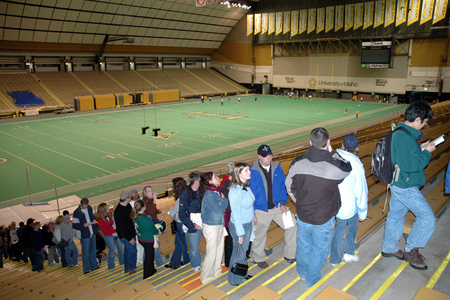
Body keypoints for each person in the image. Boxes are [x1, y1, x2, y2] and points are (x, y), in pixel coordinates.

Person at [286, 127, 352, 288]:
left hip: (303, 215)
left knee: (303, 246)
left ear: (310, 142)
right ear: (328, 142)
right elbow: (347, 168)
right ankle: (312, 279)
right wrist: (333, 153)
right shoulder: (335, 166)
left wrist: (300, 201)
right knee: (319, 249)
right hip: (324, 218)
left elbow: (289, 186)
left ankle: (302, 272)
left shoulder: (298, 162)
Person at [381, 101, 436, 270]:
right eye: (425, 122)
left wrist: (420, 148)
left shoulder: (401, 132)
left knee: (396, 216)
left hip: (398, 183)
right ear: (418, 119)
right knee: (427, 218)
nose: (425, 125)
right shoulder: (404, 137)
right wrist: (427, 152)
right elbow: (411, 166)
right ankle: (412, 250)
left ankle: (389, 248)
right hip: (405, 186)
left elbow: (405, 156)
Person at [249, 145, 297, 268]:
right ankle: (258, 258)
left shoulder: (277, 168)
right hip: (261, 210)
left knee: (292, 224)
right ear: (259, 157)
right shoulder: (252, 172)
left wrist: (282, 203)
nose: (269, 158)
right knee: (259, 235)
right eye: (265, 156)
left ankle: (290, 254)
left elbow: (282, 187)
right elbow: (249, 195)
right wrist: (252, 213)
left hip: (277, 207)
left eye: (270, 155)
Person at [330, 134, 368, 266]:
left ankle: (337, 258)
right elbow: (361, 190)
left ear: (343, 145)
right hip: (349, 204)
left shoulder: (333, 157)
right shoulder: (356, 164)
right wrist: (363, 212)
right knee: (348, 227)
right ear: (356, 148)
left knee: (341, 228)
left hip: (334, 201)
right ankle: (345, 254)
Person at [228, 162, 256, 286]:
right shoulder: (235, 191)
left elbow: (249, 203)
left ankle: (242, 273)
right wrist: (240, 233)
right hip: (240, 226)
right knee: (238, 253)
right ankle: (234, 279)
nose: (249, 172)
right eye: (246, 170)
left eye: (248, 169)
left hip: (247, 223)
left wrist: (253, 215)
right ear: (238, 174)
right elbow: (236, 215)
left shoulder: (245, 186)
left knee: (243, 252)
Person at [200, 172, 228, 284]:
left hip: (218, 224)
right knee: (211, 252)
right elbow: (219, 210)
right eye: (215, 177)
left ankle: (216, 271)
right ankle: (205, 277)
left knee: (219, 249)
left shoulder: (215, 191)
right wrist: (224, 199)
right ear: (210, 181)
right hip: (211, 226)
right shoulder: (210, 195)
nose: (218, 178)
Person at [179, 171, 203, 272]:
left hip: (205, 222)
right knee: (193, 248)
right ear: (197, 181)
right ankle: (196, 265)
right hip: (194, 225)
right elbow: (181, 214)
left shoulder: (203, 191)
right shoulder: (185, 195)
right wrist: (192, 225)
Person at [166, 177, 190, 269]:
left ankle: (186, 261)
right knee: (179, 243)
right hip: (183, 223)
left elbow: (178, 216)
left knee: (183, 244)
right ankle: (174, 263)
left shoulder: (181, 198)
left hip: (180, 224)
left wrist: (171, 211)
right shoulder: (186, 194)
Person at [134, 200, 160, 279]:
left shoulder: (136, 216)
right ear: (143, 208)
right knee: (149, 257)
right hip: (148, 240)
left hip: (141, 238)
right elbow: (152, 229)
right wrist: (157, 231)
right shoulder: (144, 219)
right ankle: (147, 274)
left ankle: (151, 269)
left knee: (150, 255)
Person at [114, 190, 138, 275]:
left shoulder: (128, 206)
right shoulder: (118, 211)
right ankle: (131, 268)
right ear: (127, 198)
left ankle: (127, 267)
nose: (131, 197)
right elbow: (121, 228)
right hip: (125, 236)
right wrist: (129, 239)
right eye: (130, 197)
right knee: (133, 251)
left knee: (128, 251)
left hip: (131, 233)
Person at [73, 198, 98, 274]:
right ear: (81, 204)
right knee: (85, 253)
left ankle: (94, 266)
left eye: (86, 206)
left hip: (92, 233)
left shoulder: (89, 208)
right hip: (84, 235)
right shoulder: (77, 212)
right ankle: (86, 269)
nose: (86, 207)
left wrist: (94, 221)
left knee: (93, 251)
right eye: (84, 206)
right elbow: (75, 225)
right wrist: (83, 225)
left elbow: (92, 216)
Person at [96, 203, 124, 270]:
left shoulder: (110, 214)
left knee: (120, 248)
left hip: (114, 234)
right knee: (112, 250)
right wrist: (115, 230)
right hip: (108, 236)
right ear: (104, 210)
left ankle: (122, 262)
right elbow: (105, 232)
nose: (108, 208)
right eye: (107, 207)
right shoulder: (100, 220)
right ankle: (111, 266)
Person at [143, 186, 165, 267]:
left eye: (151, 190)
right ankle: (159, 263)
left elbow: (153, 211)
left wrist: (159, 211)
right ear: (145, 193)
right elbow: (151, 212)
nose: (151, 192)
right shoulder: (145, 203)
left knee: (151, 246)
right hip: (151, 226)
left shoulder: (150, 201)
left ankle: (146, 263)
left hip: (153, 224)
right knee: (155, 245)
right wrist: (155, 199)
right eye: (149, 191)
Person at [220, 162, 235, 268]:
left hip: (230, 216)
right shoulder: (227, 185)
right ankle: (228, 262)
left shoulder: (228, 183)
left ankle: (229, 261)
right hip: (230, 217)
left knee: (230, 240)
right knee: (229, 241)